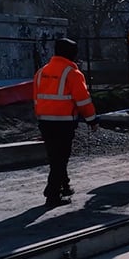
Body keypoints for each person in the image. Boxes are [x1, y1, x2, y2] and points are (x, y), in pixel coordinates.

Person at [33, 38, 98, 208]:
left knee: (55, 156)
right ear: (72, 54)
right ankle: (52, 194)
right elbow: (83, 100)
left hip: (44, 122)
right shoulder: (73, 73)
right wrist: (92, 120)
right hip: (63, 123)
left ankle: (65, 185)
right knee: (61, 158)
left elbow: (36, 98)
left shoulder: (41, 72)